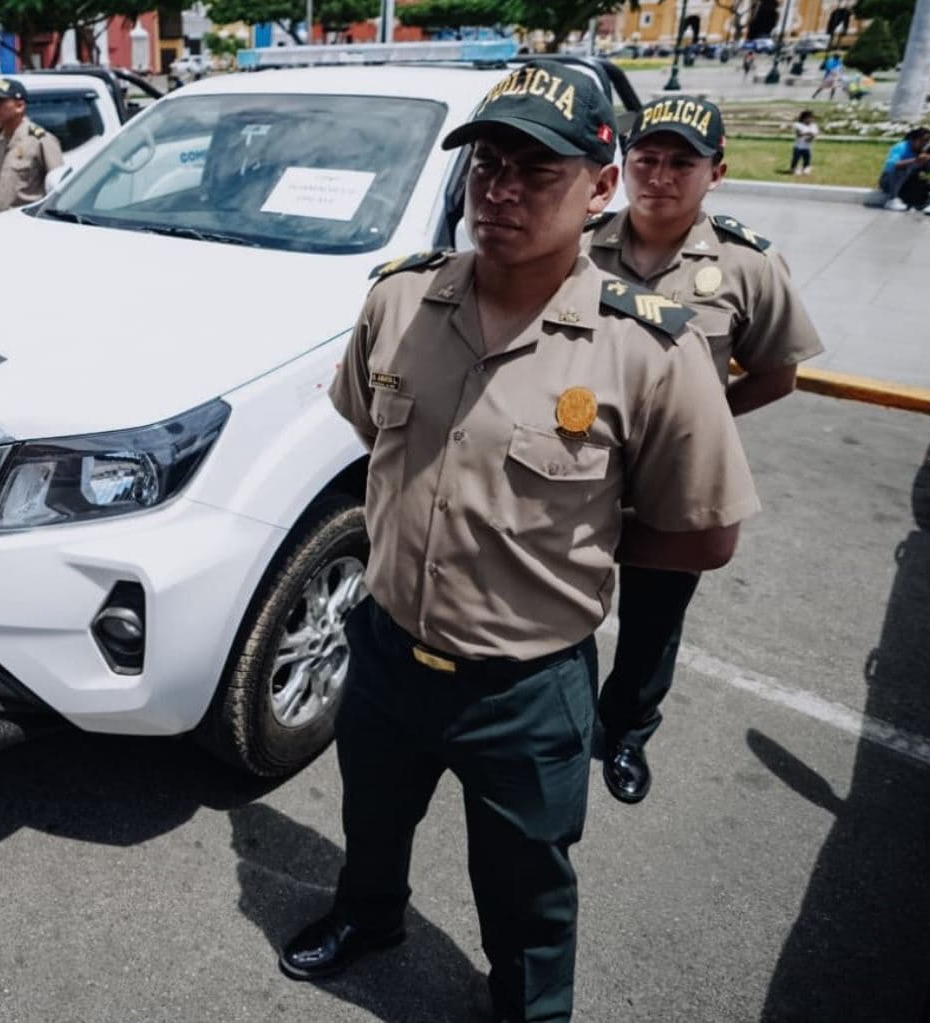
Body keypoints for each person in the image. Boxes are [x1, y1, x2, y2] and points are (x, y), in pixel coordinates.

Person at [280, 60, 759, 1023]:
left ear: (601, 185)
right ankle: (369, 914)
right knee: (371, 817)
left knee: (526, 879)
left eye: (536, 171)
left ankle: (529, 1006)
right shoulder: (399, 301)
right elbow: (372, 430)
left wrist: (560, 561)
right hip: (385, 651)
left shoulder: (651, 347)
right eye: (486, 164)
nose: (499, 190)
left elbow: (703, 535)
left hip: (525, 687)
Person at [584, 95, 823, 806]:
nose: (659, 176)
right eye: (647, 159)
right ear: (623, 165)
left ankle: (625, 729)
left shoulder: (747, 265)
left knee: (654, 618)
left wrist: (705, 425)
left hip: (675, 479)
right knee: (555, 593)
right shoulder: (578, 244)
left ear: (716, 172)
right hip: (579, 462)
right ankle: (555, 716)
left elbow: (777, 374)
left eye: (681, 163)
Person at [0, 75, 63, 211]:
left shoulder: (40, 140)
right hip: (2, 218)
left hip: (29, 218)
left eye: (0, 101)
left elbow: (58, 187)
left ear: (19, 106)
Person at [877, 128, 930, 215]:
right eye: (923, 140)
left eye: (928, 140)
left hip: (913, 182)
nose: (926, 143)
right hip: (890, 181)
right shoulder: (901, 147)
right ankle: (892, 199)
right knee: (902, 169)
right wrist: (915, 160)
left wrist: (928, 162)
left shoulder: (928, 149)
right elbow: (893, 166)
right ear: (913, 140)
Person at [789, 109, 819, 176]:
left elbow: (814, 135)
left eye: (812, 118)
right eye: (809, 118)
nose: (811, 119)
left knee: (807, 159)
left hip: (808, 147)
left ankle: (806, 168)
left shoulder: (814, 125)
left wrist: (810, 138)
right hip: (798, 147)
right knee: (796, 158)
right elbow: (798, 135)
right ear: (804, 118)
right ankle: (794, 168)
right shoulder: (797, 125)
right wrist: (808, 133)